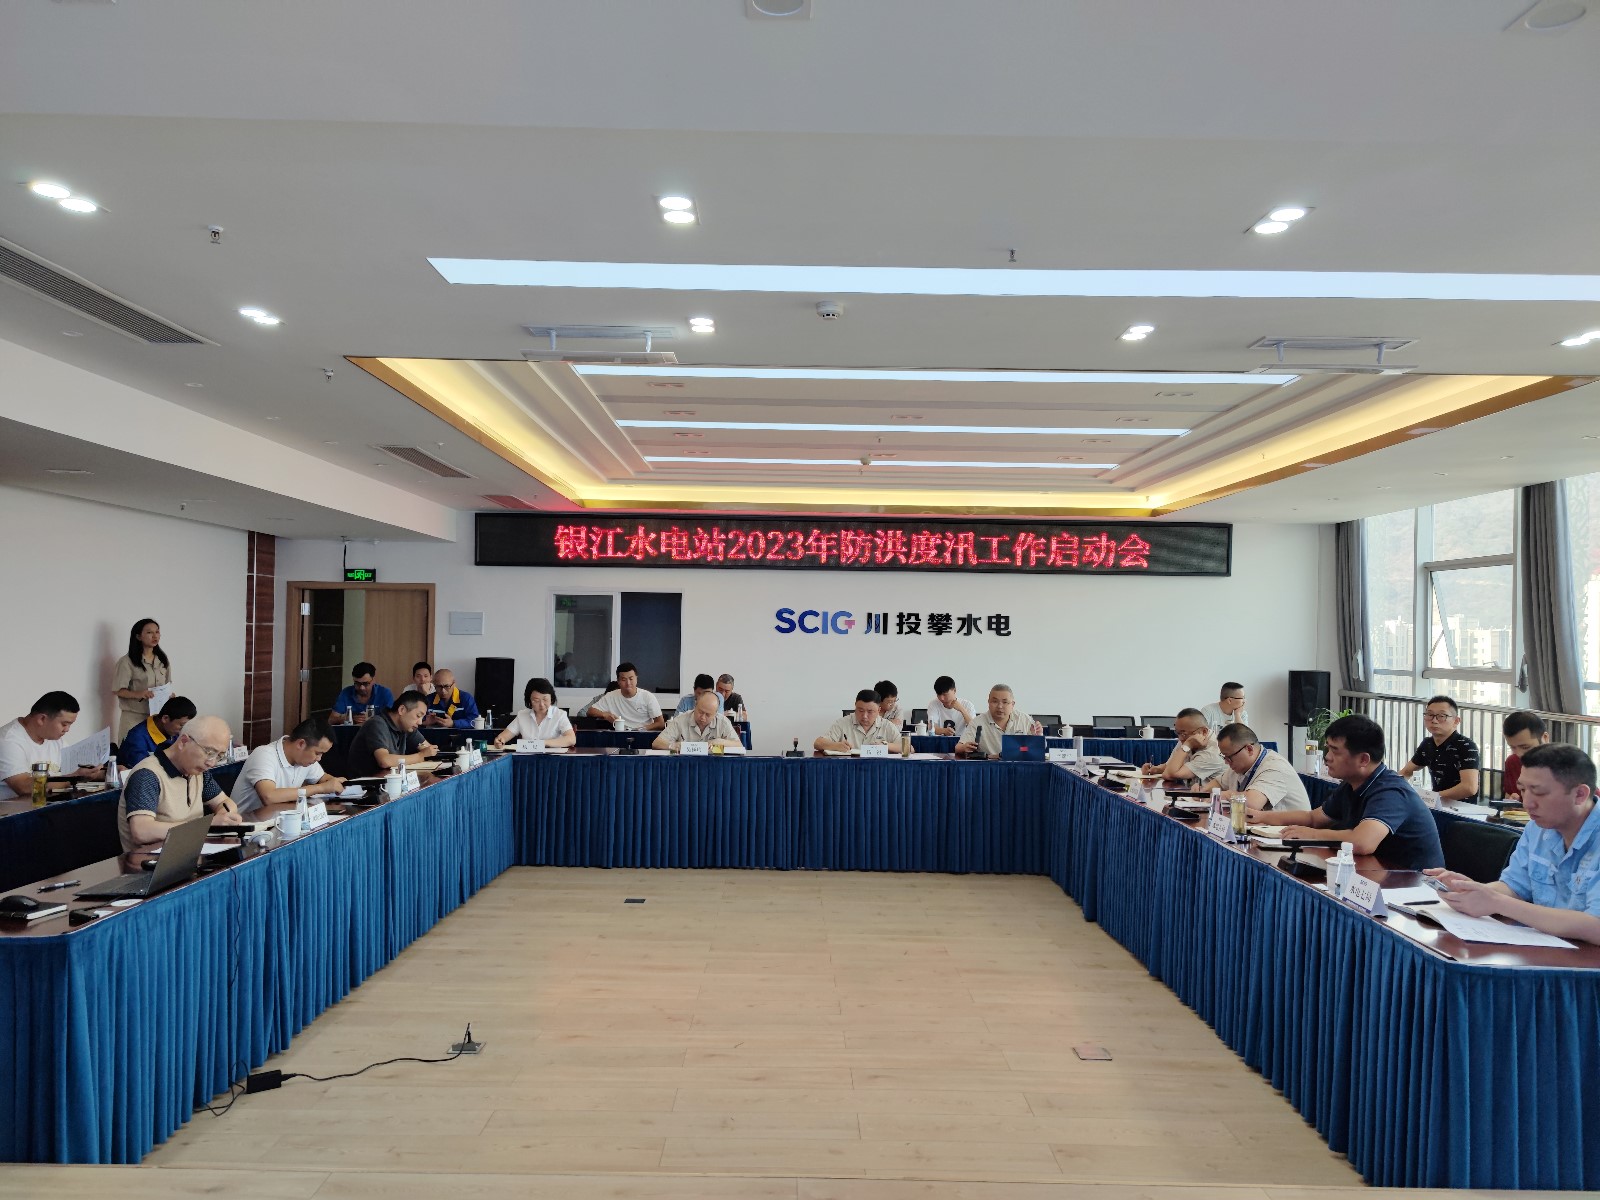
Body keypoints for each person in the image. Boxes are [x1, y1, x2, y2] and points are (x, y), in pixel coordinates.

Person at [1424, 744, 1600, 944]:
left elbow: (1596, 926)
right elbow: (1514, 887)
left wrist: (1498, 902)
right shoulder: (1537, 828)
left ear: (1580, 795)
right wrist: (1471, 891)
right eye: (1523, 790)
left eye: (1539, 793)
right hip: (1546, 949)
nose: (1527, 803)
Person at [1249, 714, 1443, 870]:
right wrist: (1260, 816)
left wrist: (1313, 835)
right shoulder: (1351, 783)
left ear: (1363, 760)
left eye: (1335, 751)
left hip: (1413, 884)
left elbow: (1362, 843)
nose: (1327, 757)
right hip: (1375, 873)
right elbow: (1313, 818)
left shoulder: (1391, 792)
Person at [118, 715, 241, 851]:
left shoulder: (198, 772)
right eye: (209, 752)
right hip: (152, 860)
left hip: (190, 853)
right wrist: (206, 825)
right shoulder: (147, 774)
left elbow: (224, 802)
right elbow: (142, 831)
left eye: (220, 756)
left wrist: (224, 817)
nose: (211, 763)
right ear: (183, 741)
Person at [231, 719, 345, 817]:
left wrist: (336, 783)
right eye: (318, 753)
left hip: (280, 822)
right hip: (246, 826)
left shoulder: (304, 759)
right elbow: (269, 796)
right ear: (301, 744)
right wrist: (320, 788)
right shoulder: (264, 754)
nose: (319, 759)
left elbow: (323, 778)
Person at [0, 692, 104, 799]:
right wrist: (74, 778)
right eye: (64, 724)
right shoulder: (8, 740)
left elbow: (76, 770)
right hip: (18, 808)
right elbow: (24, 787)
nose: (67, 730)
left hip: (51, 803)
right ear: (42, 719)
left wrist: (101, 771)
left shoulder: (55, 740)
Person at [1399, 695, 1481, 802]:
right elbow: (1406, 772)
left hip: (1462, 808)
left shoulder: (1466, 746)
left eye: (1442, 716)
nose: (1434, 720)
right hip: (1437, 805)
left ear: (1456, 721)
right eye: (1430, 715)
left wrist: (1431, 797)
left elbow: (1469, 788)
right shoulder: (1427, 744)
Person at [1215, 722, 1309, 811]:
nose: (1226, 762)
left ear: (1249, 749)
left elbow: (1252, 803)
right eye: (1224, 757)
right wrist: (1207, 793)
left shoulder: (1275, 767)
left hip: (1291, 823)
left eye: (1229, 757)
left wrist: (1225, 795)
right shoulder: (1240, 766)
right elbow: (1217, 783)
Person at [346, 691, 439, 777]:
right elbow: (384, 761)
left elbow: (429, 750)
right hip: (365, 785)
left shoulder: (407, 727)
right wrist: (420, 756)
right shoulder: (377, 724)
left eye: (422, 717)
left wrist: (430, 752)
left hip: (390, 782)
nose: (420, 722)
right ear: (402, 710)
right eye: (418, 716)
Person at [111, 618, 171, 740]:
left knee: (156, 751)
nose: (155, 636)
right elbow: (118, 690)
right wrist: (139, 694)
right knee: (131, 750)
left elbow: (167, 684)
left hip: (157, 718)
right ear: (138, 636)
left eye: (157, 632)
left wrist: (169, 695)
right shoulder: (126, 662)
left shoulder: (162, 659)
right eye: (149, 632)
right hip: (134, 718)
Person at [1141, 708, 1227, 786]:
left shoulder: (1212, 752)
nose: (1180, 738)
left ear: (1204, 731)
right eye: (1177, 733)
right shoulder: (1187, 739)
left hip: (1211, 797)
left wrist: (1187, 745)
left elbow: (1169, 774)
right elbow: (1170, 766)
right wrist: (1155, 769)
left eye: (1183, 733)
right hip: (1193, 795)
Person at [954, 684, 1043, 759]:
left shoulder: (1024, 719)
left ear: (1012, 704)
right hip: (990, 768)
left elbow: (1039, 749)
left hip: (1019, 767)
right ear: (988, 702)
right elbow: (958, 748)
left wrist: (1038, 737)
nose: (1000, 706)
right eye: (995, 701)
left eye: (1005, 702)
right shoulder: (977, 723)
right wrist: (964, 747)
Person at [117, 694, 196, 768]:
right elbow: (145, 769)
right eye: (182, 725)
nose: (184, 730)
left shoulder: (172, 730)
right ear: (165, 719)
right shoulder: (137, 738)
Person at [495, 677, 576, 747]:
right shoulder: (522, 715)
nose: (542, 704)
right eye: (536, 700)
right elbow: (503, 736)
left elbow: (571, 739)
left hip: (552, 757)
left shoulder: (560, 715)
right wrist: (499, 740)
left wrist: (543, 743)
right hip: (527, 758)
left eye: (545, 699)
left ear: (551, 698)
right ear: (529, 700)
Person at [584, 663, 665, 731]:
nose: (628, 683)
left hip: (643, 735)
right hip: (620, 735)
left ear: (636, 679)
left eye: (631, 679)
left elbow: (661, 723)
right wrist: (605, 714)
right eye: (623, 679)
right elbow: (590, 711)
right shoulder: (611, 696)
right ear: (618, 681)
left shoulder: (647, 697)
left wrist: (642, 729)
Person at [815, 689, 901, 751]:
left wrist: (885, 745)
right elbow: (818, 743)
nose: (864, 716)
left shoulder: (886, 725)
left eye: (870, 712)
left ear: (878, 710)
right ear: (855, 706)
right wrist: (835, 745)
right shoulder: (842, 723)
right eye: (861, 710)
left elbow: (906, 748)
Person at [654, 691, 742, 750]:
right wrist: (672, 746)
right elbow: (656, 743)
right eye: (700, 712)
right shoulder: (681, 719)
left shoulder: (723, 722)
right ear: (695, 705)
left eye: (708, 715)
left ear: (715, 713)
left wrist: (721, 742)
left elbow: (739, 745)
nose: (703, 717)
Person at [1501, 710, 1550, 801]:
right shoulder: (1513, 761)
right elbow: (1508, 795)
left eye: (1525, 747)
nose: (1519, 754)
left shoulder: (1564, 766)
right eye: (1513, 747)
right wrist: (1510, 802)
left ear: (1545, 738)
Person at [328, 662, 394, 726]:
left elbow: (391, 721)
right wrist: (349, 718)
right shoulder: (346, 693)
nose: (362, 688)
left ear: (373, 680)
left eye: (366, 684)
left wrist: (373, 720)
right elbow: (331, 720)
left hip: (377, 730)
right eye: (357, 683)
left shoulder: (384, 693)